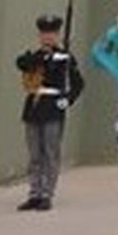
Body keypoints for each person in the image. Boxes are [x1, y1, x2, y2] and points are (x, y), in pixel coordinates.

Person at [15, 13, 84, 211]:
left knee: (50, 153)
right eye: (44, 33)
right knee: (34, 154)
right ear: (39, 35)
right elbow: (22, 63)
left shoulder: (65, 58)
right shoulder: (34, 57)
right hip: (34, 108)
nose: (48, 37)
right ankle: (34, 193)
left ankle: (47, 193)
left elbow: (78, 84)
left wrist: (66, 100)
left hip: (53, 108)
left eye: (52, 33)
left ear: (58, 34)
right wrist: (45, 56)